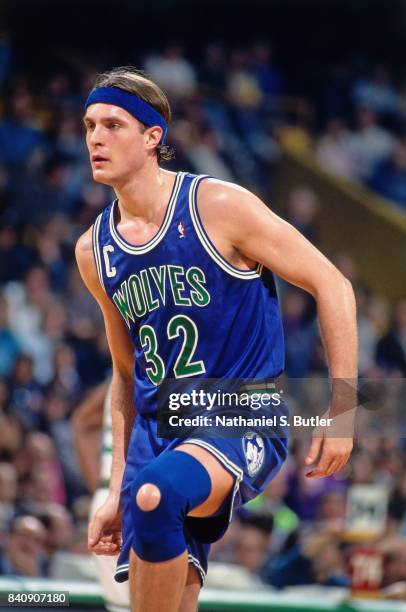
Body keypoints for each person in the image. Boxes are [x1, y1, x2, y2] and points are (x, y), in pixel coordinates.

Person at [75, 66, 357, 612]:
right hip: (156, 434)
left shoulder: (217, 206)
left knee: (157, 496)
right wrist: (114, 489)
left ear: (153, 136)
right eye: (89, 126)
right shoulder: (95, 250)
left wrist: (342, 412)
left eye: (112, 124)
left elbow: (333, 284)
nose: (95, 138)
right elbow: (126, 375)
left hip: (237, 411)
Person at [72, 380, 131, 611]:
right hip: (134, 498)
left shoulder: (115, 379)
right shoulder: (162, 374)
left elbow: (82, 421)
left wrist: (100, 488)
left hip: (110, 496)